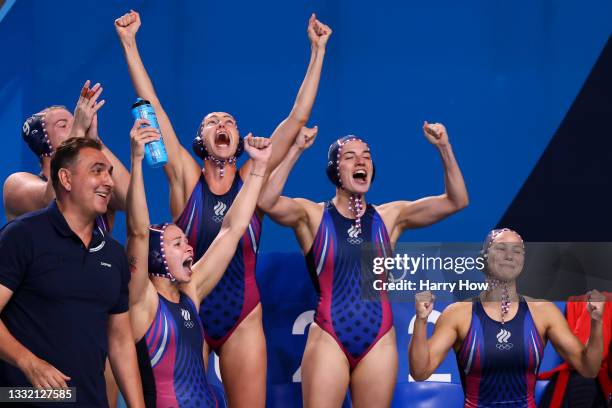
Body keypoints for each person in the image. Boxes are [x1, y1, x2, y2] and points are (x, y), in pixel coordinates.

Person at [115, 10, 331, 406]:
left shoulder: (253, 178)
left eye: (229, 120)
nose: (222, 123)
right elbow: (153, 106)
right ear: (201, 140)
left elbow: (297, 117)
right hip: (186, 308)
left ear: (235, 138)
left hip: (242, 317)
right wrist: (129, 44)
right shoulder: (184, 177)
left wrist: (317, 51)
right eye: (212, 121)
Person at [258, 122, 468, 407]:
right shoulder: (313, 216)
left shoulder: (390, 217)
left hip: (378, 339)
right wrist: (295, 150)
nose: (361, 161)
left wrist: (444, 147)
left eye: (366, 156)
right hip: (329, 335)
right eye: (350, 156)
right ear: (335, 170)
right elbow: (266, 202)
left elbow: (457, 200)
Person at [125, 118, 271, 407]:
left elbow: (232, 229)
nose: (190, 248)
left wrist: (260, 168)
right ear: (155, 256)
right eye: (178, 243)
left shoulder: (191, 295)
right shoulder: (142, 303)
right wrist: (137, 162)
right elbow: (138, 230)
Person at [0, 137, 144, 407]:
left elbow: (120, 340)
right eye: (97, 170)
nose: (109, 182)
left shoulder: (113, 254)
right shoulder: (22, 236)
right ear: (66, 179)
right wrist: (28, 362)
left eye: (110, 173)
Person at [409, 228, 606, 408]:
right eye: (501, 248)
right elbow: (420, 372)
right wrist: (421, 320)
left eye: (517, 251)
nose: (510, 256)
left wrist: (596, 322)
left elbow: (588, 368)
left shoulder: (543, 311)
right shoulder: (458, 314)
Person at [3, 80, 129, 229]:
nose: (78, 126)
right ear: (43, 141)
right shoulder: (16, 185)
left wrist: (95, 142)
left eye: (76, 121)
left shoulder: (97, 188)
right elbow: (54, 201)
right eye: (63, 125)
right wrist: (77, 133)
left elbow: (133, 202)